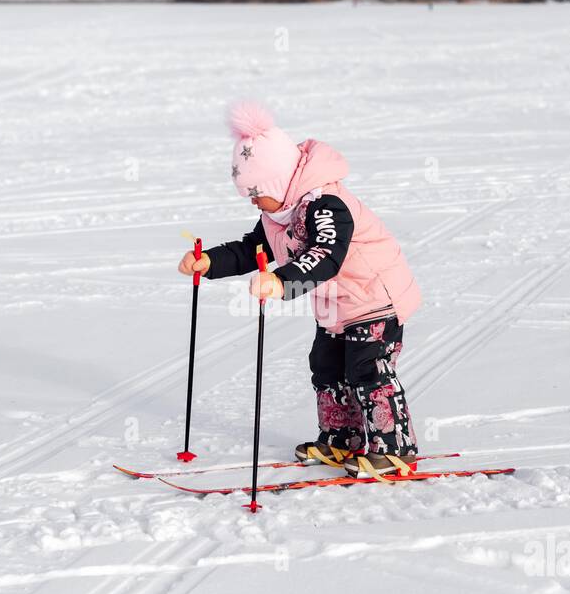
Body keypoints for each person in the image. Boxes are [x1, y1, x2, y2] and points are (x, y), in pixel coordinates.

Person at [178, 102, 422, 479]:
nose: (251, 199)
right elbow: (253, 249)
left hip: (375, 298)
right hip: (335, 307)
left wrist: (281, 282)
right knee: (325, 366)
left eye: (256, 191)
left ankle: (394, 448)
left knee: (367, 369)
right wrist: (209, 262)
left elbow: (326, 256)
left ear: (279, 182)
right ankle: (343, 438)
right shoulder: (277, 215)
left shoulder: (326, 205)